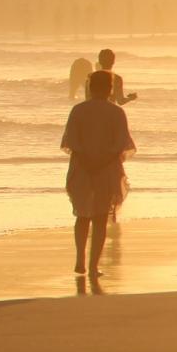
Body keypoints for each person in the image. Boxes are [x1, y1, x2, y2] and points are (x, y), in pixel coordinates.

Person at [61, 69, 136, 277]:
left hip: (81, 168)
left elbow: (71, 142)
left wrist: (87, 161)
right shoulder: (116, 112)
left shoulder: (78, 110)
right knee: (101, 218)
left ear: (90, 87)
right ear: (109, 89)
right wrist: (101, 162)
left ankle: (80, 261)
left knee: (82, 215)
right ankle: (93, 266)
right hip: (107, 169)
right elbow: (121, 143)